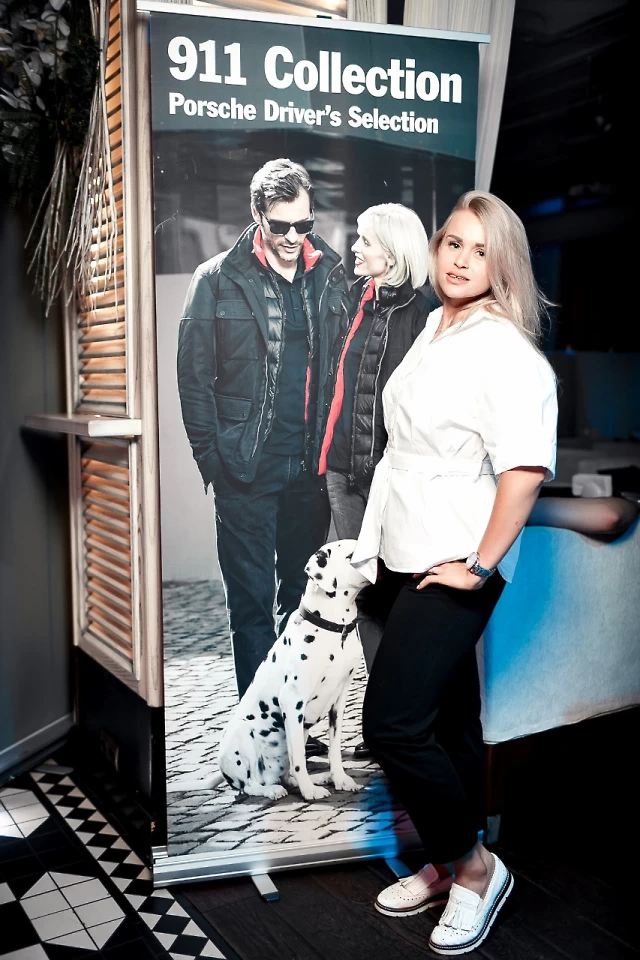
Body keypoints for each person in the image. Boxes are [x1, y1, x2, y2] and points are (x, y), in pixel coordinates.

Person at [351, 190, 558, 954]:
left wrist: (478, 566)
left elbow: (525, 470)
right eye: (453, 243)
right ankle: (446, 862)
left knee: (392, 723)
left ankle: (474, 868)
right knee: (446, 719)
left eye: (481, 250)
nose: (463, 260)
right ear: (435, 250)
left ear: (504, 265)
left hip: (457, 554)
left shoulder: (505, 349)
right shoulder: (437, 326)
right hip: (407, 545)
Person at [177, 159, 349, 749]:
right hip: (245, 470)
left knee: (301, 603)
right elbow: (193, 379)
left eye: (304, 224)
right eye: (281, 226)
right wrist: (215, 462)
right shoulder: (216, 279)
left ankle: (298, 724)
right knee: (250, 606)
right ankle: (263, 733)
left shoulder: (330, 272)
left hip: (309, 469)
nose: (294, 237)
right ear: (256, 215)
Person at [318, 202, 434, 758]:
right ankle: (378, 721)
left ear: (394, 250)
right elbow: (337, 387)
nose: (355, 248)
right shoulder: (354, 301)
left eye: (365, 240)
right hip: (344, 472)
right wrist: (328, 460)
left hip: (393, 479)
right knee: (363, 594)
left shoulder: (426, 314)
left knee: (401, 597)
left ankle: (405, 720)